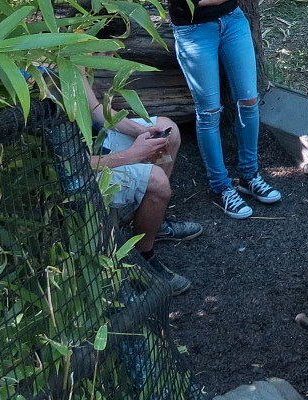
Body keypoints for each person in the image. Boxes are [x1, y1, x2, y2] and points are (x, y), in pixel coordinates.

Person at [149, 0, 281, 220]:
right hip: (194, 31)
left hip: (231, 21)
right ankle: (221, 186)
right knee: (209, 110)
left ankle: (250, 175)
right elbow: (189, 1)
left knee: (248, 99)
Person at [39, 66, 201, 288]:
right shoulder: (32, 81)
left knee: (167, 129)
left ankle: (154, 222)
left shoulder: (63, 59)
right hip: (71, 173)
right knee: (157, 182)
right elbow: (74, 163)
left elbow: (96, 110)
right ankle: (144, 258)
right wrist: (131, 155)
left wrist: (140, 132)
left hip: (91, 144)